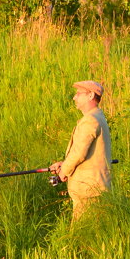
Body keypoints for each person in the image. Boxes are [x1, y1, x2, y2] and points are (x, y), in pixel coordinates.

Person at [50, 80, 112, 220]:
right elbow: (85, 153)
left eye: (78, 94)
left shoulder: (90, 120)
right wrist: (63, 164)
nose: (74, 97)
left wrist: (63, 172)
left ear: (90, 96)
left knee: (82, 234)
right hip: (93, 188)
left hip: (89, 190)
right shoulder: (98, 117)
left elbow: (79, 153)